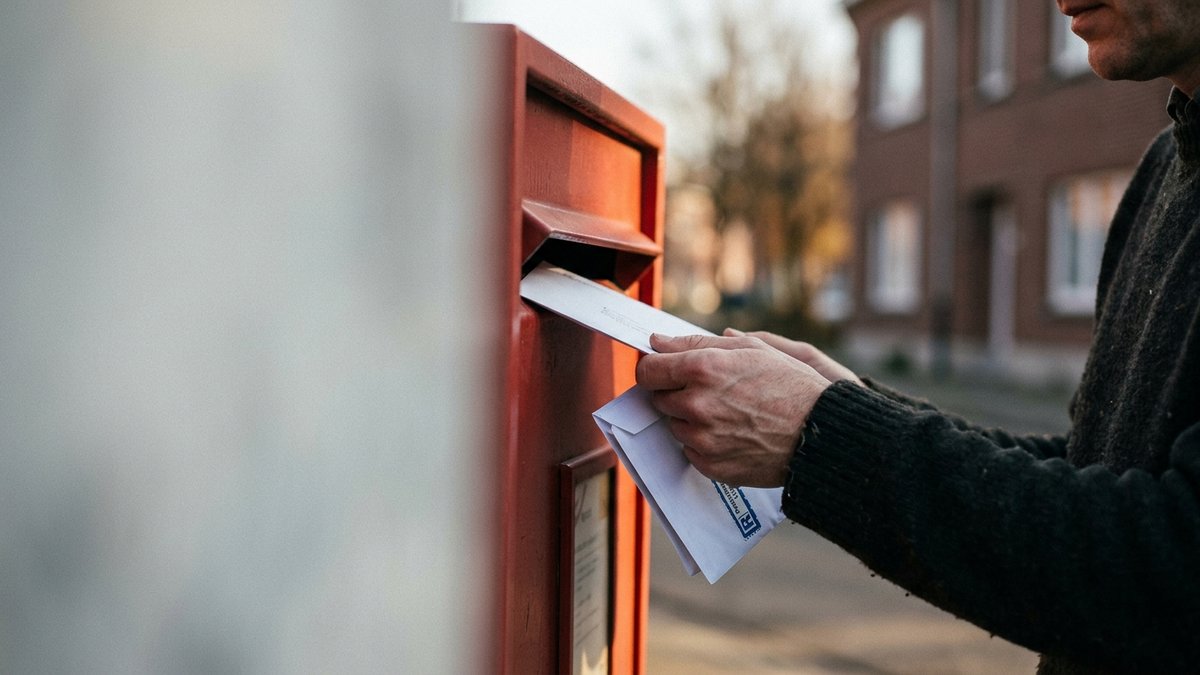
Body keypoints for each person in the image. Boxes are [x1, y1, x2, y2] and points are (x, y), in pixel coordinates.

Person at [635, 1, 1200, 672]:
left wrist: (822, 435)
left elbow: (1170, 563)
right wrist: (852, 403)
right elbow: (1092, 468)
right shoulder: (1166, 168)